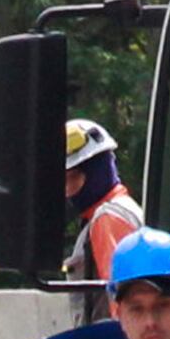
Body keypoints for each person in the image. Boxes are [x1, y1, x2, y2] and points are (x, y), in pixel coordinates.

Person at [57, 119, 143, 292]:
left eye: (73, 178)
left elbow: (122, 295)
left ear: (98, 171)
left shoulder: (108, 218)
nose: (66, 191)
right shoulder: (122, 209)